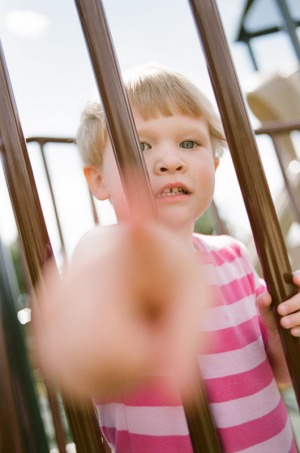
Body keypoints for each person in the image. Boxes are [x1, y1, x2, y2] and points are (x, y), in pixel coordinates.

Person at [34, 64, 300, 452]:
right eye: (141, 146)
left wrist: (281, 334)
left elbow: (278, 374)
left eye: (189, 144)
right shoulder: (109, 254)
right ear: (98, 180)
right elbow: (85, 357)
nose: (170, 161)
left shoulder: (234, 256)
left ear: (213, 165)